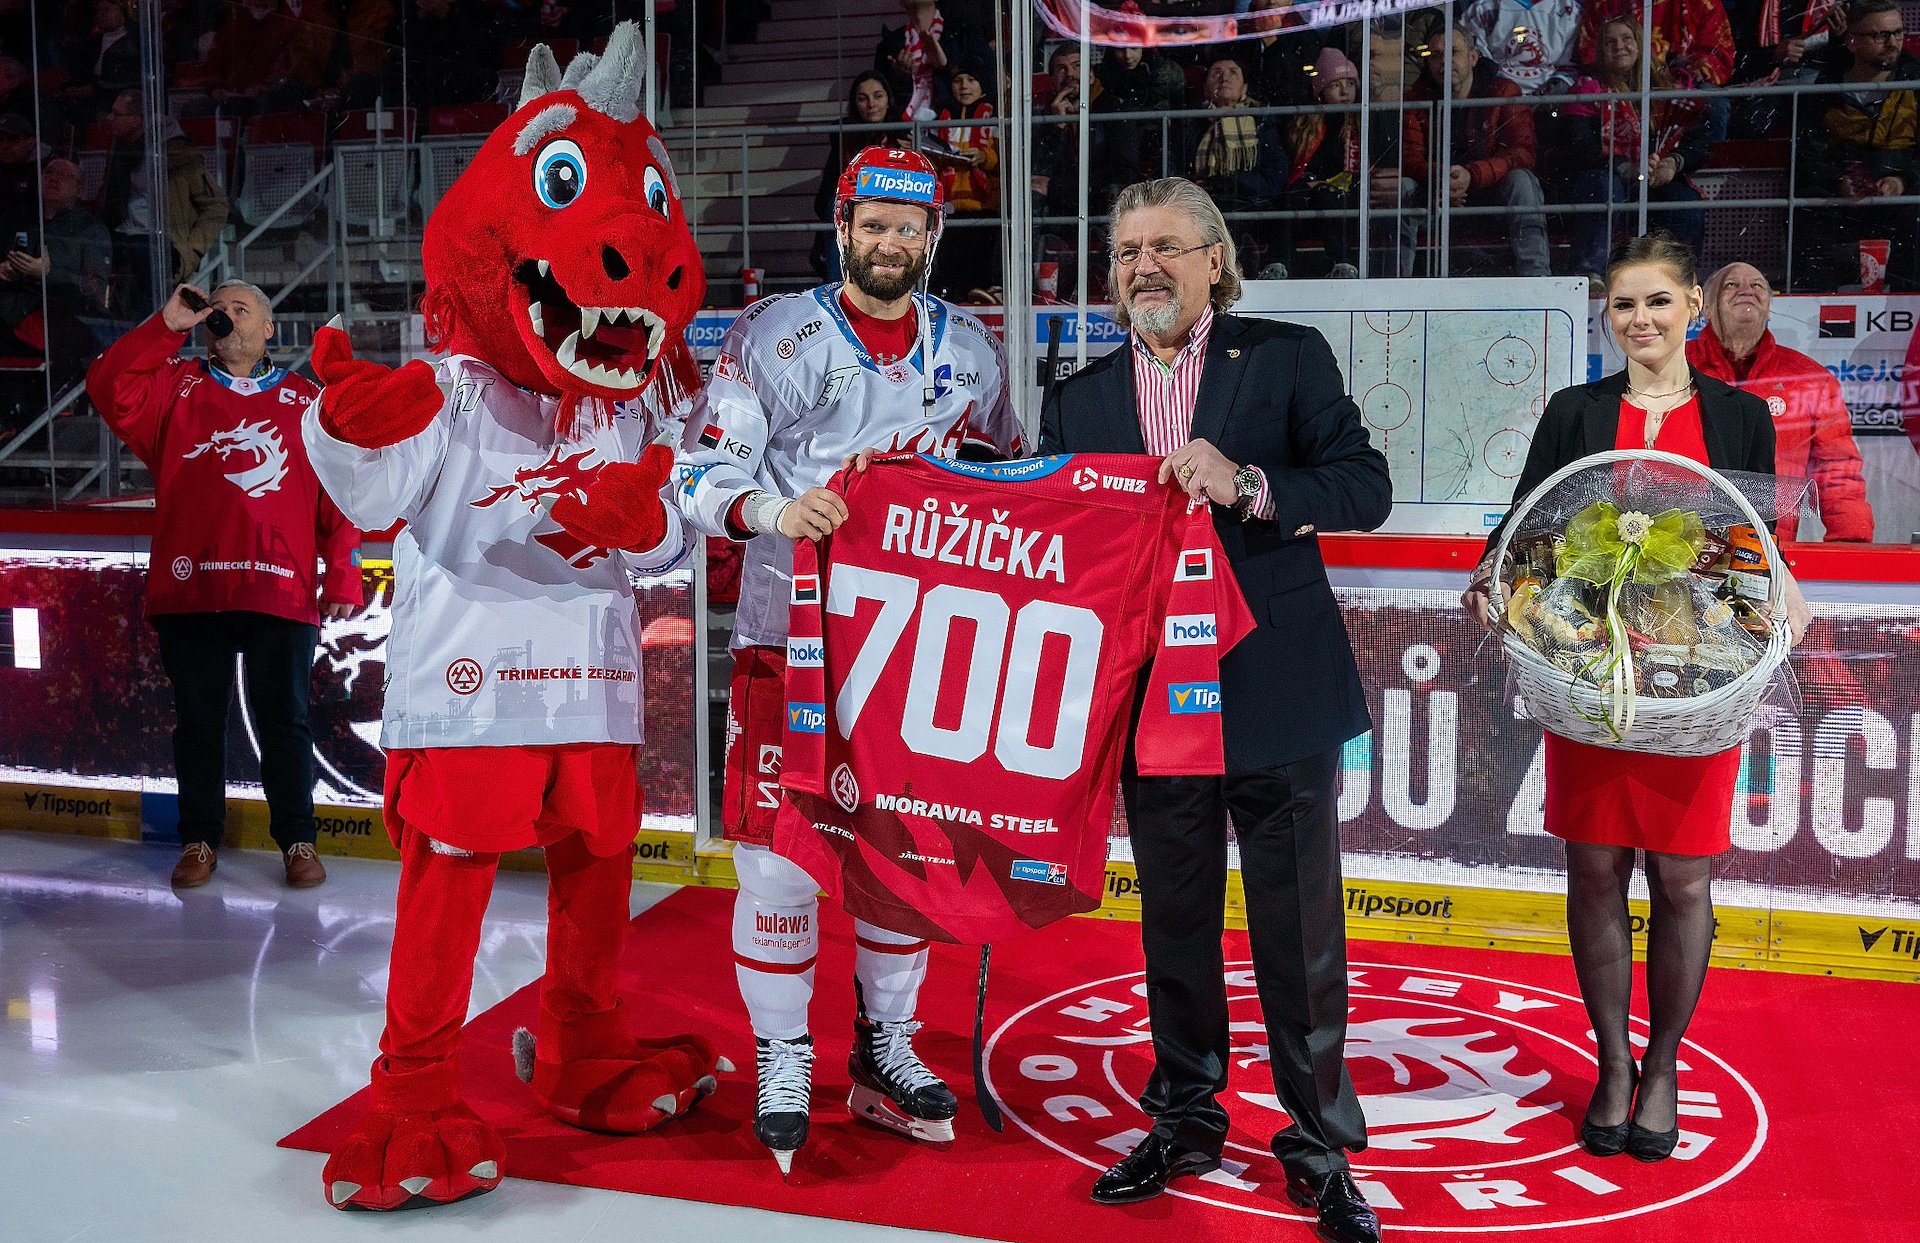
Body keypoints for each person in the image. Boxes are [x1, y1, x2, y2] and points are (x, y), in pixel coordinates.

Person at [1039, 176, 1389, 1243]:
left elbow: (1363, 486)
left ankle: (1319, 1143)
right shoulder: (1078, 397)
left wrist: (1252, 485)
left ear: (1215, 261)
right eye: (1126, 250)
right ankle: (1186, 1118)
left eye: (1166, 247)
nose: (1143, 266)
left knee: (1299, 931)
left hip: (1275, 689)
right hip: (1155, 704)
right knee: (1175, 924)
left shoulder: (1283, 357)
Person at [675, 144, 1024, 1174]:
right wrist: (773, 508)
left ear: (934, 235)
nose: (889, 242)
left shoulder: (972, 347)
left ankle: (885, 1047)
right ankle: (784, 1051)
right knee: (778, 858)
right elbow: (696, 472)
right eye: (872, 223)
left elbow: (1012, 471)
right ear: (842, 228)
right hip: (790, 645)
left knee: (901, 858)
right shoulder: (775, 333)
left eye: (908, 226)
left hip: (918, 650)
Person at [1463, 232, 1811, 1164]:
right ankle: (1613, 1062)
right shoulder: (1574, 410)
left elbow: (1756, 542)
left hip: (1698, 682)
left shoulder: (1742, 415)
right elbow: (1527, 522)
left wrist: (1782, 584)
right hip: (1593, 682)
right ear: (1606, 315)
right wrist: (1493, 572)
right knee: (1595, 870)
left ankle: (1663, 1066)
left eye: (1659, 301)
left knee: (1684, 878)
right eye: (1625, 304)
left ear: (1694, 305)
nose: (1642, 319)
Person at [85, 279, 364, 889]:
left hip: (279, 588)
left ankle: (297, 840)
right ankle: (199, 840)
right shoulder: (174, 388)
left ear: (268, 329)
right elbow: (107, 384)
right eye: (218, 308)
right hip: (193, 590)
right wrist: (168, 326)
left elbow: (340, 495)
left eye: (241, 308)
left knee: (286, 722)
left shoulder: (307, 401)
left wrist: (344, 575)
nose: (226, 316)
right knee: (199, 723)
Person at [1689, 261, 1874, 539]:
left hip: (1773, 548)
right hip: (1686, 546)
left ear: (1768, 307)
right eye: (1731, 285)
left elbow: (1837, 470)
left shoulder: (1809, 377)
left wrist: (1851, 543)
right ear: (1705, 307)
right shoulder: (1678, 368)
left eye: (1757, 285)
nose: (1746, 291)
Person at [1564, 17, 1710, 279]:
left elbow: (1698, 142)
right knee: (1605, 188)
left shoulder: (1667, 86)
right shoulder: (1589, 88)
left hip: (1656, 179)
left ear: (1640, 44)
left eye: (1626, 39)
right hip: (1609, 175)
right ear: (1600, 51)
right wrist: (1624, 167)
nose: (1619, 46)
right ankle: (1591, 275)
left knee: (1685, 202)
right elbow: (1579, 146)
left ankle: (1678, 278)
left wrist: (1672, 163)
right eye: (1610, 42)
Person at [1399, 23, 1550, 277]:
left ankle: (1538, 280)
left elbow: (1522, 152)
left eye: (1454, 52)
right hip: (1436, 196)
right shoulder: (1415, 98)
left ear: (1473, 57)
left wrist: (1473, 175)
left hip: (1491, 193)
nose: (1444, 61)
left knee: (1522, 181)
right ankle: (1395, 284)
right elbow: (1410, 158)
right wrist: (1443, 179)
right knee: (1404, 188)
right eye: (1436, 55)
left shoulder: (1504, 92)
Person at [1791, 0, 1917, 291]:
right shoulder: (1824, 89)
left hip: (1901, 193)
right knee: (1808, 208)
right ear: (1851, 41)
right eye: (1880, 35)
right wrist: (1837, 182)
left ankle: (1909, 304)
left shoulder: (1916, 82)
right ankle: (1816, 305)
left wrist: (1902, 181)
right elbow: (1806, 155)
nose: (1893, 43)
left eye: (1898, 33)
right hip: (1844, 196)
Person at [99, 100, 229, 317]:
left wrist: (190, 251)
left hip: (158, 242)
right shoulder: (119, 150)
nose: (109, 118)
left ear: (137, 119)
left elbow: (216, 206)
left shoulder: (176, 154)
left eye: (117, 113)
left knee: (150, 307)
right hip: (120, 235)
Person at [811, 71, 907, 280]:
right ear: (855, 105)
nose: (871, 104)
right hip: (854, 215)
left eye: (878, 96)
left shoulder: (905, 135)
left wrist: (909, 156)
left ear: (889, 101)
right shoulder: (844, 138)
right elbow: (824, 198)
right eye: (863, 99)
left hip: (896, 213)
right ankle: (839, 290)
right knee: (835, 207)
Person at [934, 55, 1000, 299]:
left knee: (978, 271)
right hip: (949, 207)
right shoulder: (941, 115)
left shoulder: (994, 112)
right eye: (958, 81)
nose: (964, 86)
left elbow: (1005, 155)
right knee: (951, 272)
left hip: (983, 206)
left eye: (971, 80)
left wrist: (984, 157)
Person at [1461, 0, 1584, 96]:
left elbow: (1570, 68)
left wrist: (1551, 94)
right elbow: (1477, 63)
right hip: (1497, 99)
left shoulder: (1570, 11)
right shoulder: (1484, 9)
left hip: (1550, 104)